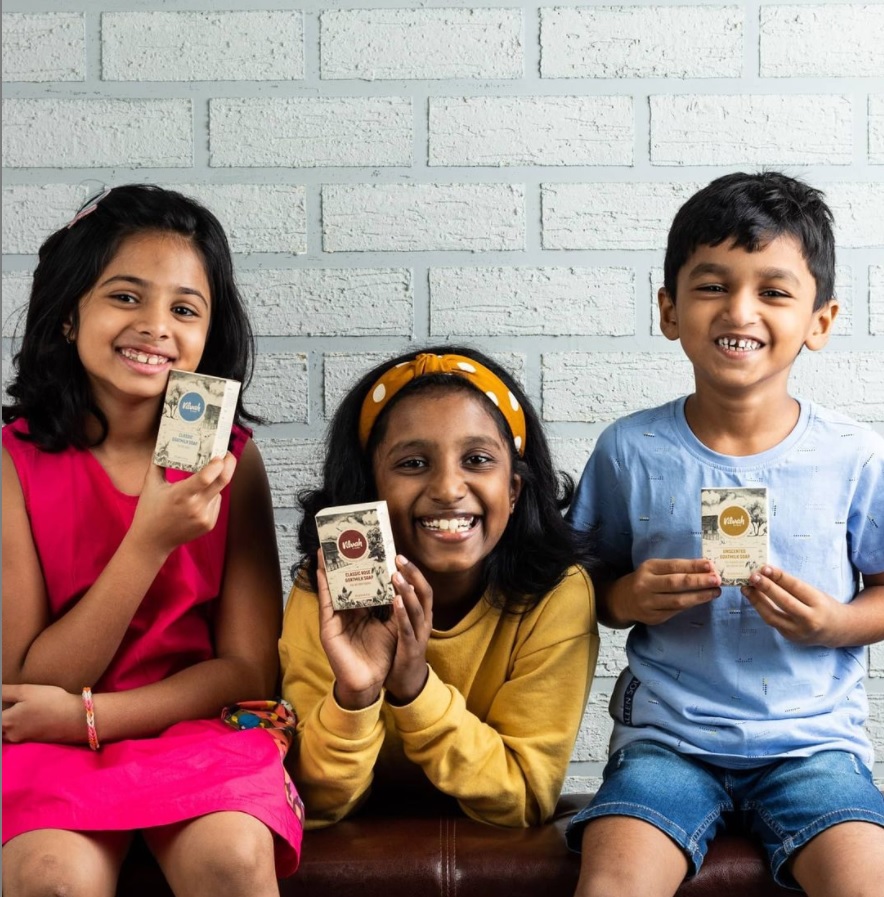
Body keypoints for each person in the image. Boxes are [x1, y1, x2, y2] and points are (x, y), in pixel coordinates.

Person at [565, 171, 884, 897]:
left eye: (774, 290)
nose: (740, 309)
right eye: (712, 286)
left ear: (821, 321)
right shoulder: (629, 450)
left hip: (815, 747)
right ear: (669, 309)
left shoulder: (854, 456)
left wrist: (837, 622)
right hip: (667, 744)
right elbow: (581, 586)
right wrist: (628, 596)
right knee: (612, 882)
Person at [1, 185, 303, 897]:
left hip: (198, 729)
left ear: (207, 336)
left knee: (230, 858)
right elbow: (25, 681)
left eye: (184, 309)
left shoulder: (232, 459)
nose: (155, 326)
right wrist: (148, 542)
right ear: (69, 314)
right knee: (51, 877)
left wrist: (92, 716)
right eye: (126, 297)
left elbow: (247, 672)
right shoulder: (12, 463)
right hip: (47, 739)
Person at [279, 347, 599, 828]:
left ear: (513, 491)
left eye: (476, 459)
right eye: (412, 463)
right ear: (373, 490)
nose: (449, 488)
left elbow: (524, 798)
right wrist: (357, 692)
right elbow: (313, 805)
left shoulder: (557, 594)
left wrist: (414, 689)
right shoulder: (326, 590)